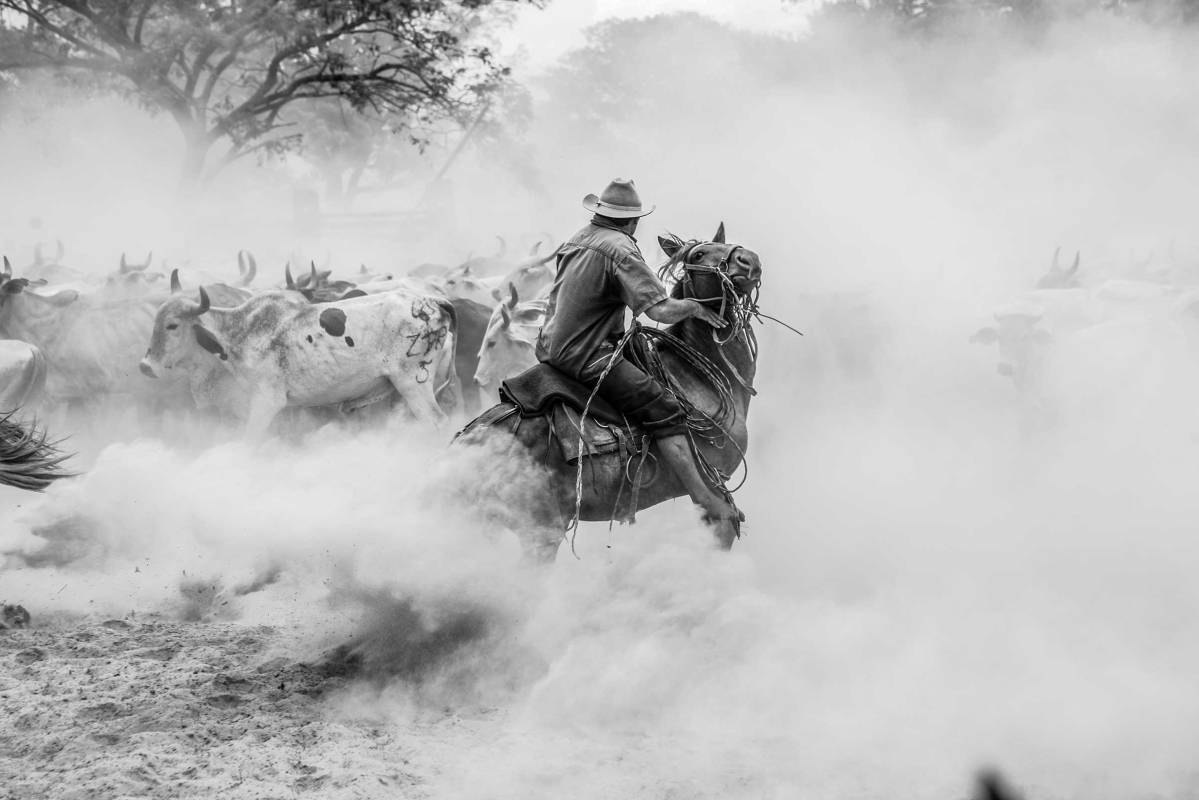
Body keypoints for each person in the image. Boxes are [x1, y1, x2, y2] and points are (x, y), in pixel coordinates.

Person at [535, 179, 741, 547]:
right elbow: (660, 310)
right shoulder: (621, 249)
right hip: (588, 356)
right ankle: (706, 499)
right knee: (665, 406)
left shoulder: (577, 238)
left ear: (598, 213)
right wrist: (695, 306)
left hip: (552, 348)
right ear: (631, 222)